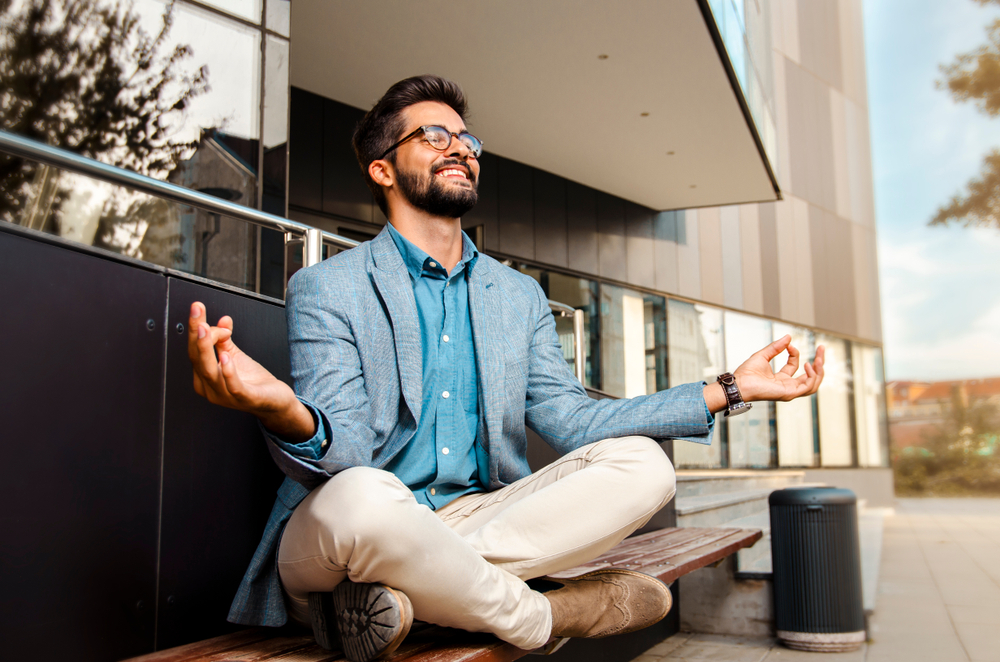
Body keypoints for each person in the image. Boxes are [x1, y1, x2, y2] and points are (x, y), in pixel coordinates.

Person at [186, 75, 825, 662]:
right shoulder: (328, 286)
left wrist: (729, 388)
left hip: (478, 516)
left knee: (644, 465)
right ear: (381, 169)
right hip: (346, 532)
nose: (460, 148)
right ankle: (541, 615)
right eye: (434, 136)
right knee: (364, 495)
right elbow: (347, 452)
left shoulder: (516, 296)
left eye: (467, 139)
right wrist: (280, 408)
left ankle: (416, 597)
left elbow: (573, 420)